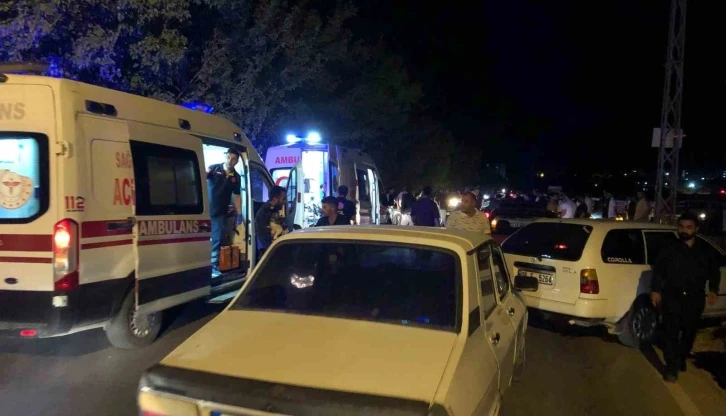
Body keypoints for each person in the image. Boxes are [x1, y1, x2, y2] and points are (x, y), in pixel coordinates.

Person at [651, 212, 721, 382]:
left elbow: (714, 272)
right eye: (681, 227)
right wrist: (655, 290)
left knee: (689, 332)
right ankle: (671, 367)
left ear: (696, 229)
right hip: (672, 296)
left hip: (694, 298)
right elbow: (658, 271)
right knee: (671, 331)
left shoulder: (704, 250)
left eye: (689, 227)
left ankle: (680, 358)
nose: (684, 230)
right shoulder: (669, 248)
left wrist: (713, 290)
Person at [207, 148, 243, 277]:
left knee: (216, 240)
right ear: (225, 156)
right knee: (203, 239)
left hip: (220, 212)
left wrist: (240, 213)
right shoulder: (213, 168)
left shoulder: (236, 177)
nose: (230, 160)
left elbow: (237, 196)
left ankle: (213, 266)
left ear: (237, 161)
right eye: (228, 157)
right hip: (205, 211)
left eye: (233, 159)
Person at [254, 186, 287, 258]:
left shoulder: (274, 210)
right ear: (275, 199)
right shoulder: (264, 213)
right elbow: (264, 236)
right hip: (268, 253)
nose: (284, 202)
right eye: (283, 199)